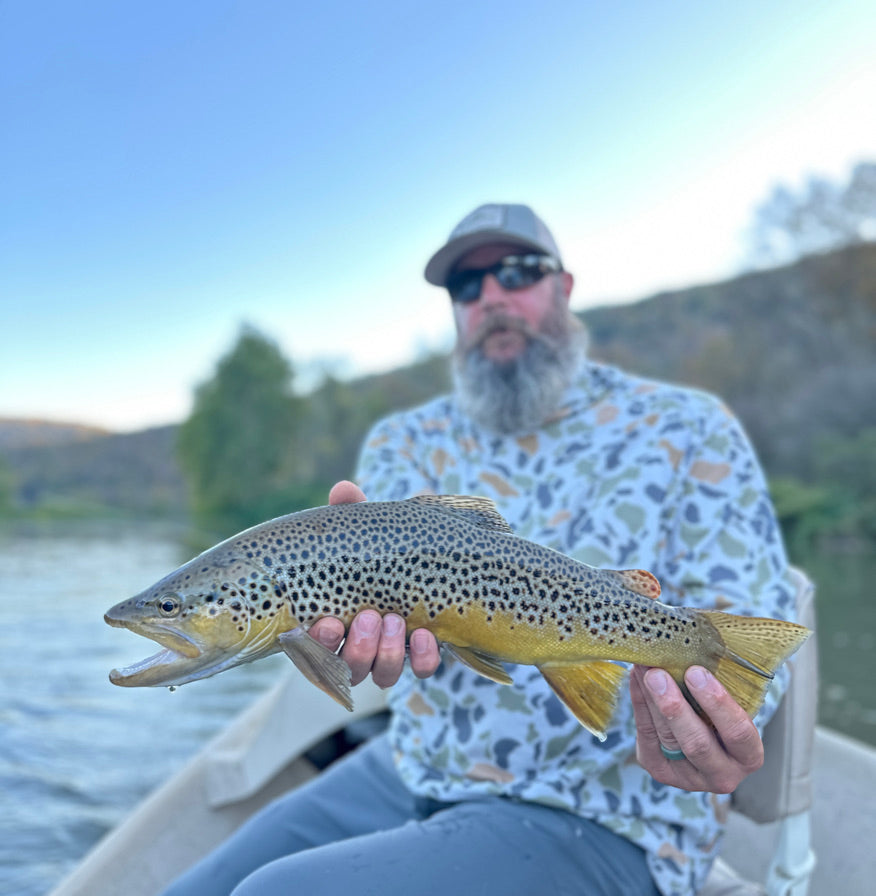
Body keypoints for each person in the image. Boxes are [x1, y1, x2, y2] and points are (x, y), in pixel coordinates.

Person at [163, 204, 797, 896]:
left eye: (519, 271)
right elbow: (379, 632)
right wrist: (345, 635)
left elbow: (743, 632)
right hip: (413, 765)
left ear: (565, 287)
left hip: (606, 804)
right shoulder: (405, 440)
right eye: (467, 284)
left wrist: (703, 732)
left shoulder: (689, 428)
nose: (491, 294)